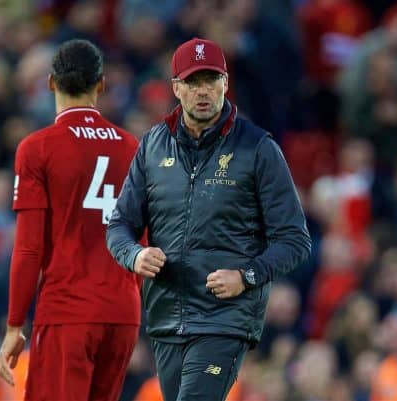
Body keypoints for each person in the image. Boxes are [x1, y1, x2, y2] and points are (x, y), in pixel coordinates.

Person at [106, 37, 311, 401]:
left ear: (225, 84)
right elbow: (120, 225)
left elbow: (294, 240)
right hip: (167, 318)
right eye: (193, 82)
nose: (203, 91)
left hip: (225, 318)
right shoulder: (152, 146)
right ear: (176, 89)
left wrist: (246, 277)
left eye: (211, 80)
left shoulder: (258, 148)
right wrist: (134, 256)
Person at [0, 39, 141, 401]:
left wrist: (15, 325)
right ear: (101, 84)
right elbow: (145, 240)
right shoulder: (133, 147)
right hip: (123, 314)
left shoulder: (38, 148)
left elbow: (29, 248)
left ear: (50, 83)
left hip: (69, 310)